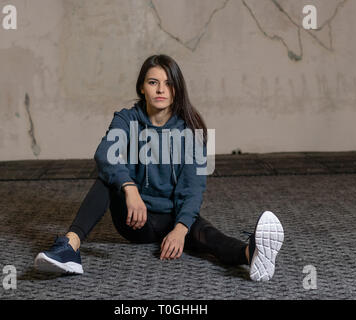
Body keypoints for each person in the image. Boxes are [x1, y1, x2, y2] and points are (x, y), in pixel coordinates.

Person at [34, 54, 284, 281]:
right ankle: (69, 247)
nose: (161, 89)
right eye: (153, 82)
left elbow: (194, 189)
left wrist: (180, 229)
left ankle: (251, 253)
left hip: (171, 217)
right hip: (134, 219)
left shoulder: (191, 131)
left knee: (206, 234)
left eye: (168, 83)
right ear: (142, 88)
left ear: (177, 89)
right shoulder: (126, 118)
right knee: (107, 179)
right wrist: (130, 189)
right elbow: (104, 154)